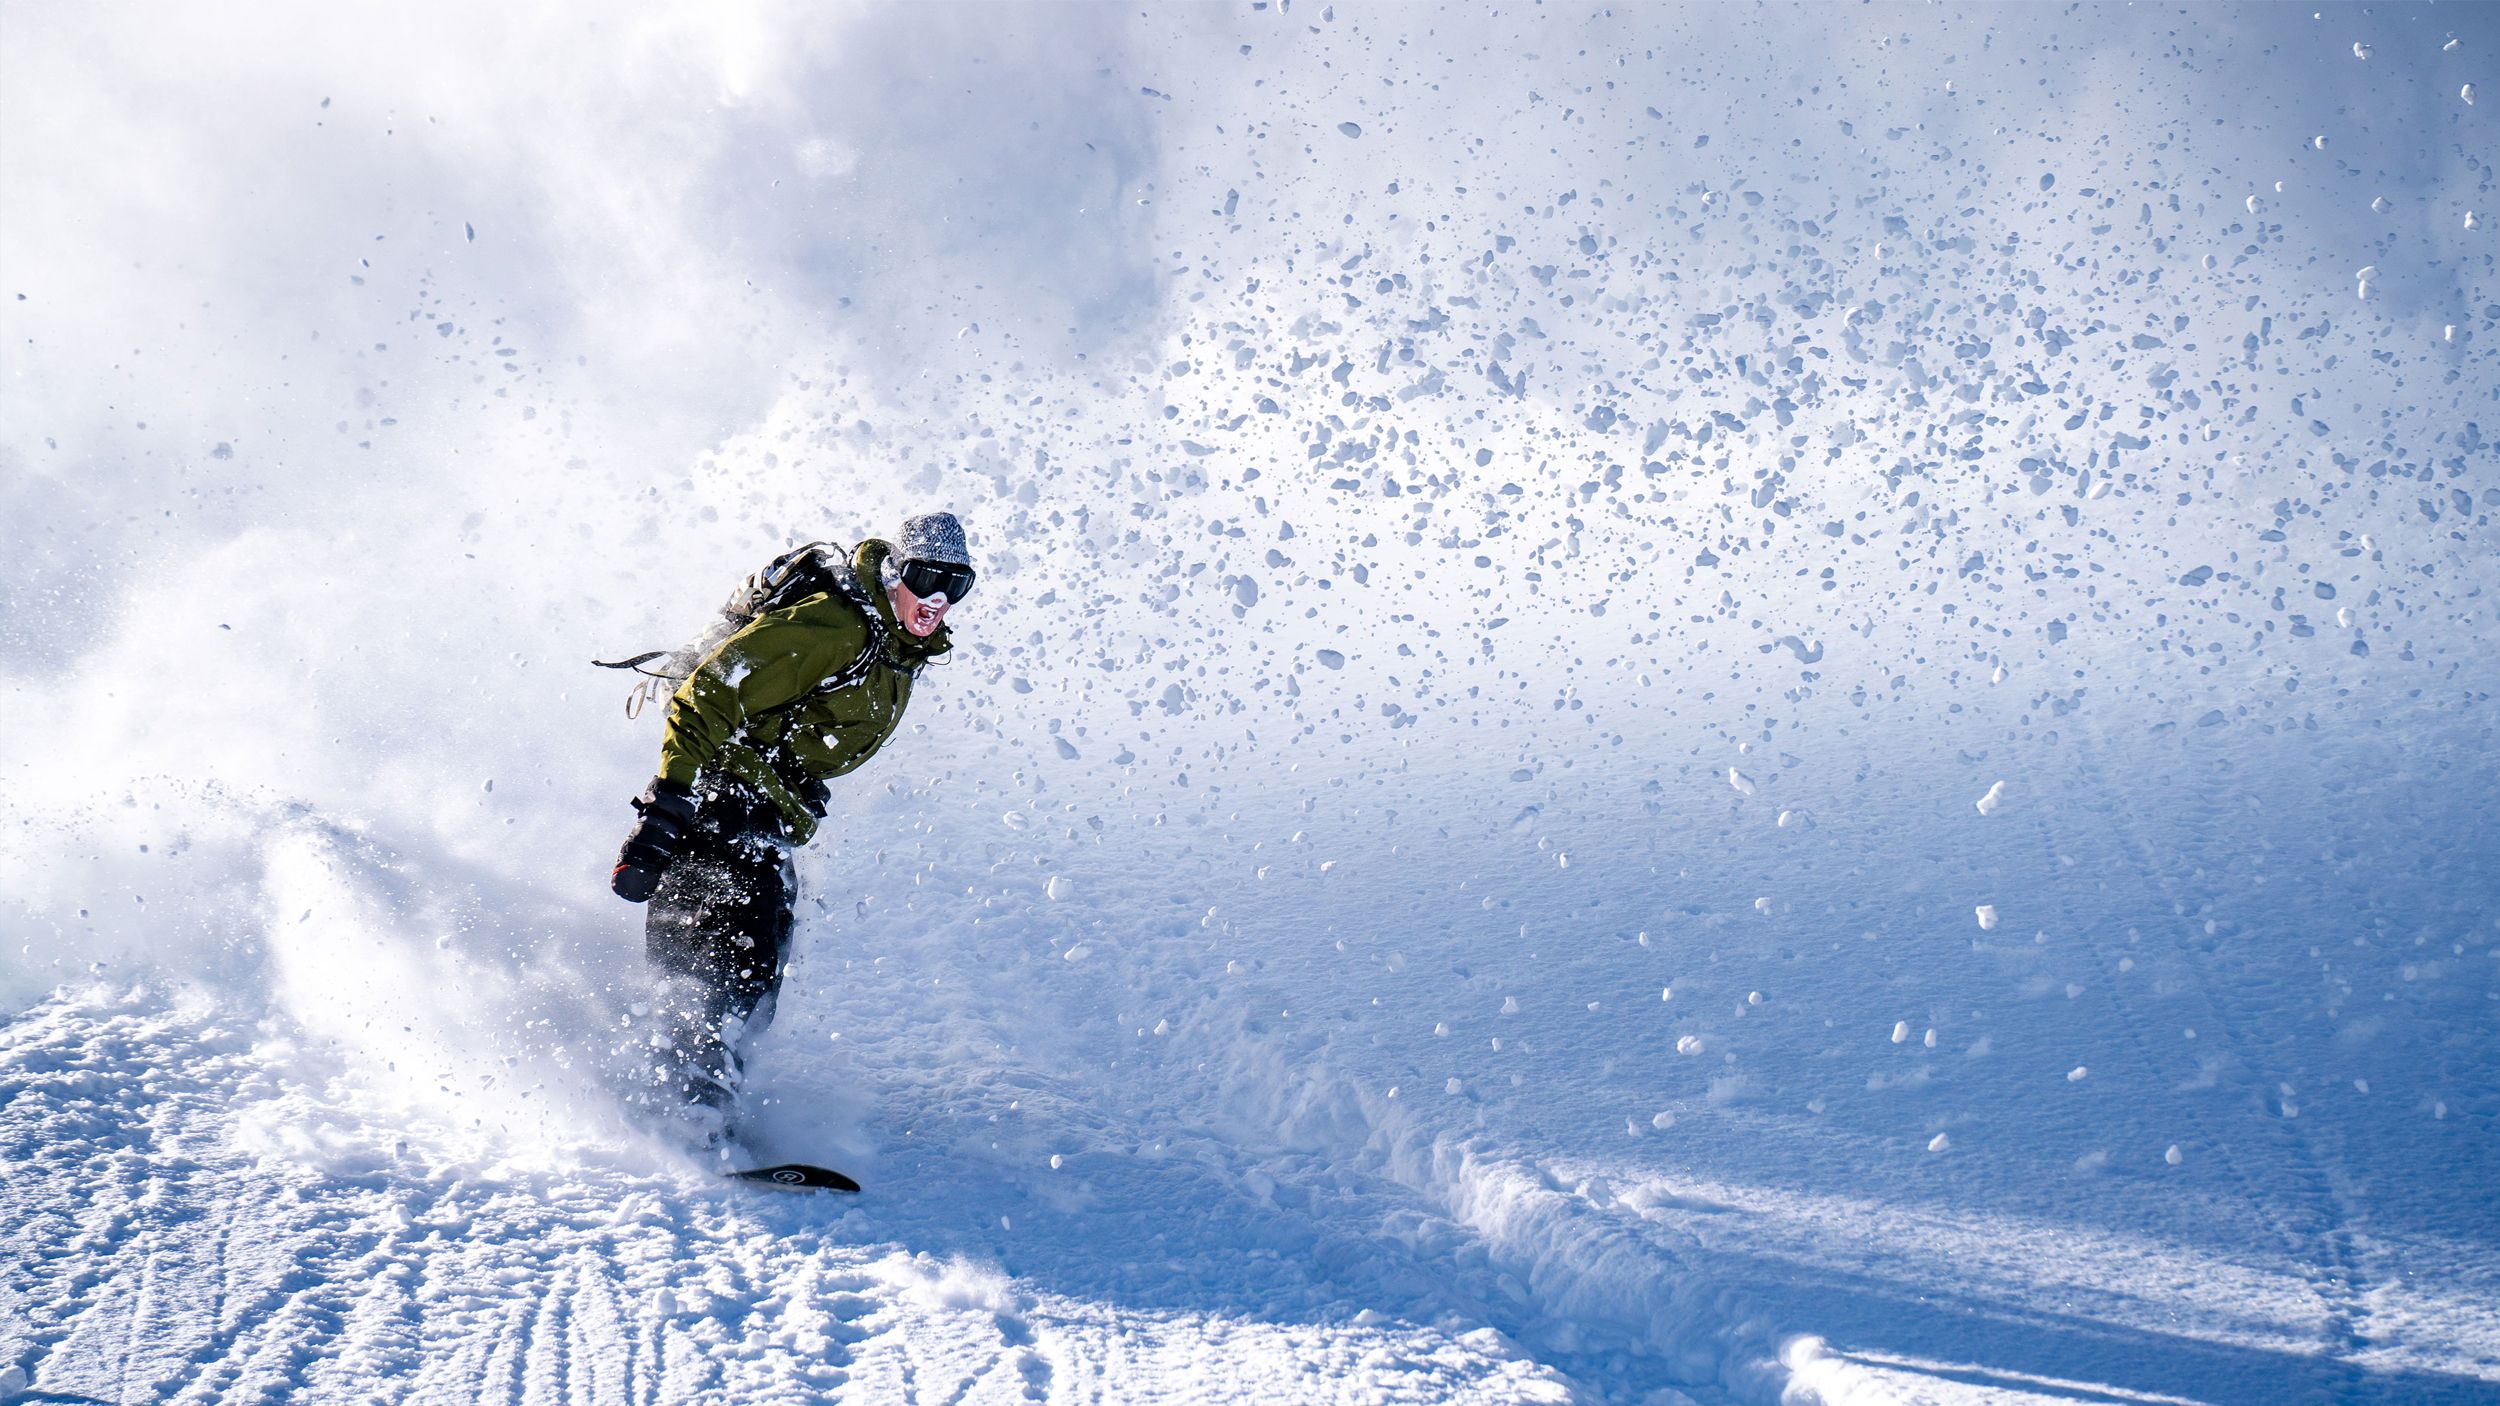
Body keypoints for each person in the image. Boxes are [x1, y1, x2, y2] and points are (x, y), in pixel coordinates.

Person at [608, 512, 974, 1137]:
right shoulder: (836, 627)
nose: (937, 597)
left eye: (956, 584)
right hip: (721, 800)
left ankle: (702, 1098)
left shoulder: (893, 648)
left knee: (762, 961)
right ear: (893, 572)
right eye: (924, 575)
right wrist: (667, 807)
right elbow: (709, 693)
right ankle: (682, 1108)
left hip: (767, 813)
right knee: (726, 958)